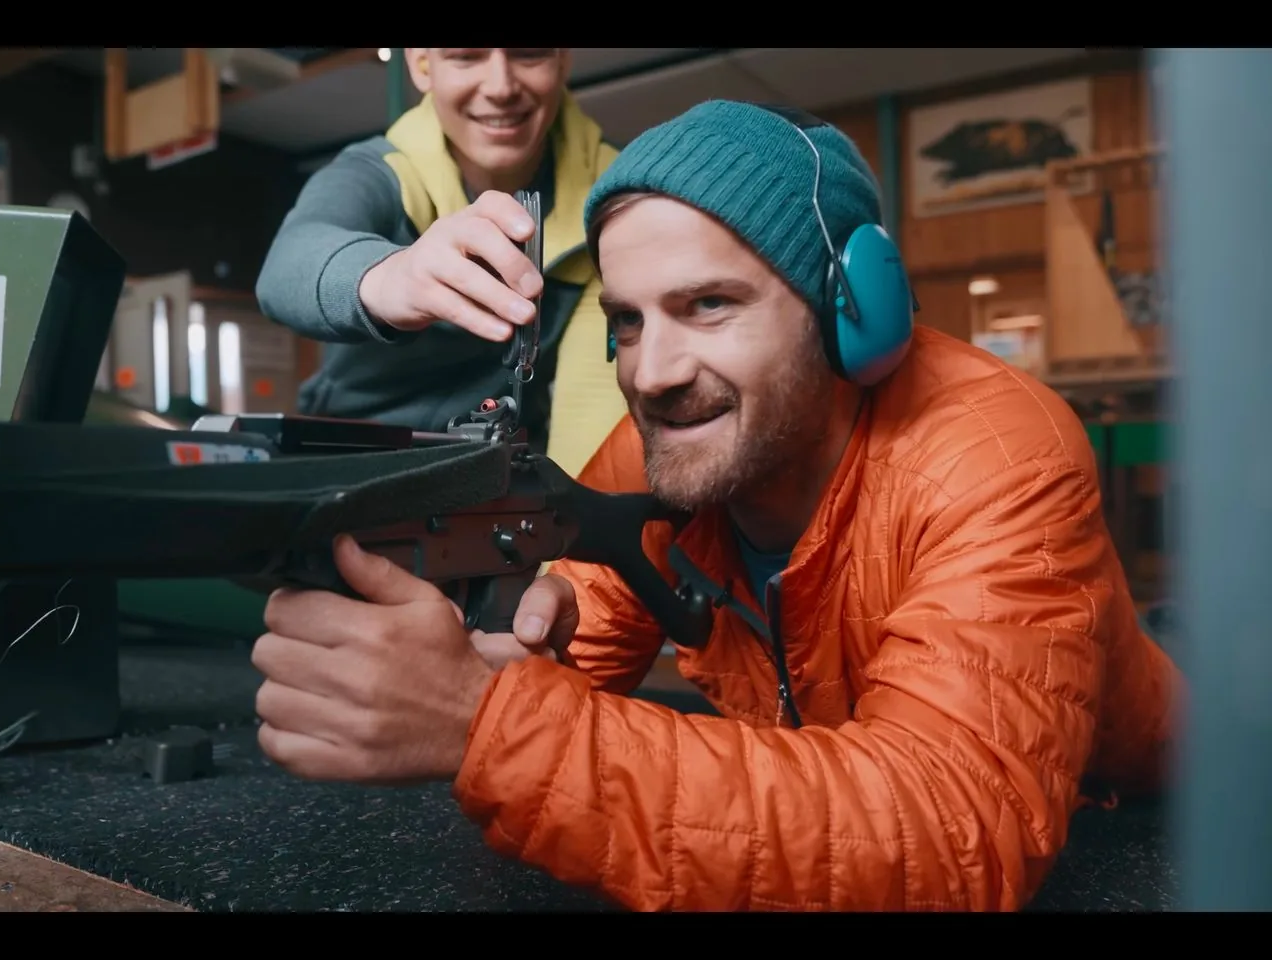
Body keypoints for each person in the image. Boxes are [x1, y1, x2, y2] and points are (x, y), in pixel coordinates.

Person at [247, 100, 1183, 911]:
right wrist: (494, 665)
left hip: (1159, 799)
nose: (651, 373)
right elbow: (583, 644)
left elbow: (949, 834)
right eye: (628, 319)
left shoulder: (1000, 453)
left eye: (708, 306)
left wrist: (487, 724)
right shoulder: (670, 446)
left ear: (851, 310)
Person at [255, 47, 626, 477]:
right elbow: (285, 268)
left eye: (529, 54)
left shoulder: (614, 190)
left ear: (563, 59)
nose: (501, 87)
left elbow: (595, 422)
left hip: (502, 477)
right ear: (421, 64)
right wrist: (392, 277)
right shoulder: (379, 172)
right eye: (466, 57)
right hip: (348, 472)